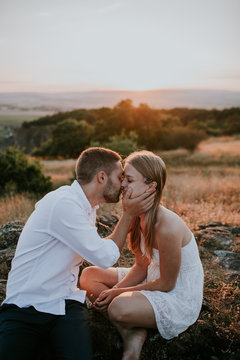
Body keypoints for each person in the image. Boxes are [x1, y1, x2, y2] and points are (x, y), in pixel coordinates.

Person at [0, 147, 155, 360]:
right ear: (101, 177)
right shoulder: (64, 204)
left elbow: (99, 249)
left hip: (66, 304)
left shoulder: (85, 207)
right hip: (26, 307)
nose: (123, 185)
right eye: (120, 177)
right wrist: (128, 215)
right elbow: (104, 257)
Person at [80, 150, 204, 360]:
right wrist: (117, 289)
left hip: (176, 294)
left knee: (118, 306)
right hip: (152, 276)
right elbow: (141, 266)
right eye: (122, 179)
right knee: (88, 276)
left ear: (151, 186)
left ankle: (130, 329)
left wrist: (117, 294)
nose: (122, 186)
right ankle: (134, 329)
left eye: (129, 180)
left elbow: (167, 284)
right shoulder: (138, 216)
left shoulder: (167, 227)